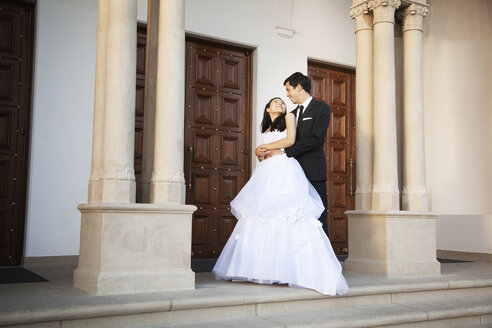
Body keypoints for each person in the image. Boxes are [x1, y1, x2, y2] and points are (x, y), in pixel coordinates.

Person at [212, 97, 349, 296]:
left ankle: (299, 270)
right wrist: (258, 150)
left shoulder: (290, 118)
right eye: (276, 103)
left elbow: (290, 141)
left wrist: (268, 148)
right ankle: (263, 268)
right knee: (261, 213)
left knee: (289, 212)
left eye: (282, 102)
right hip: (268, 172)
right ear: (267, 109)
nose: (281, 104)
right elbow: (265, 150)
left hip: (285, 168)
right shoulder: (266, 129)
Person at [257, 72, 331, 235]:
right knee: (295, 217)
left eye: (288, 89)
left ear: (298, 87)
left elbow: (316, 139)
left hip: (313, 170)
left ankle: (321, 259)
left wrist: (283, 150)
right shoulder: (291, 114)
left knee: (317, 216)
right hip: (291, 174)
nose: (287, 94)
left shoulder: (321, 108)